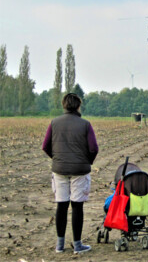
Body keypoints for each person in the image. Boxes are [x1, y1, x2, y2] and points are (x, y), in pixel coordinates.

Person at [42, 93, 99, 254]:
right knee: (77, 206)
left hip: (59, 170)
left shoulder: (54, 123)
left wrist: (57, 158)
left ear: (64, 106)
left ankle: (60, 245)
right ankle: (77, 244)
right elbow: (94, 148)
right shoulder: (85, 124)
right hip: (80, 170)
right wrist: (87, 161)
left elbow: (45, 146)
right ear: (78, 106)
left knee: (61, 205)